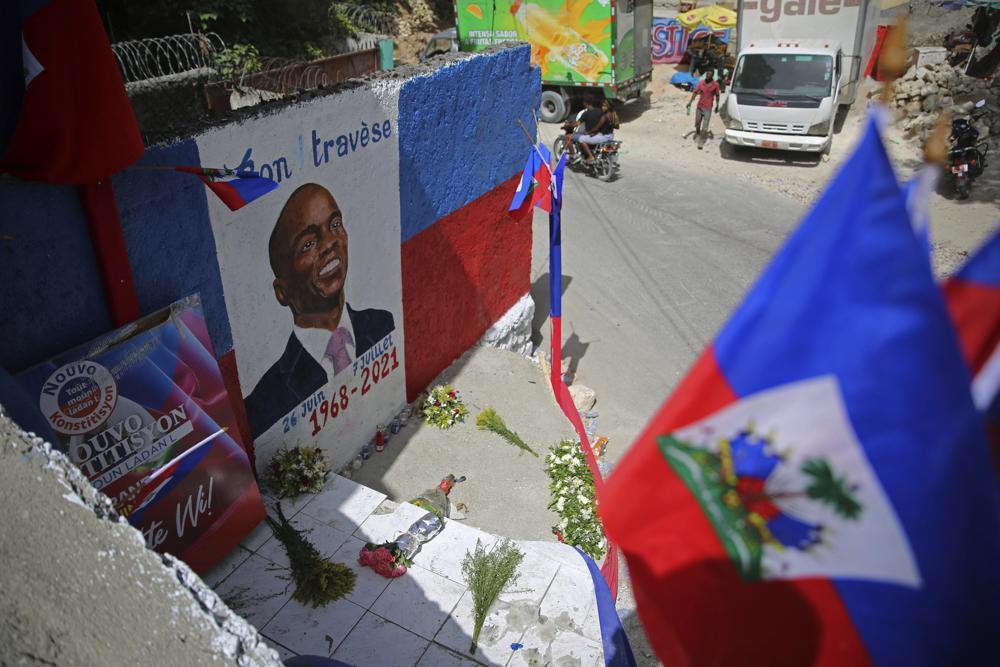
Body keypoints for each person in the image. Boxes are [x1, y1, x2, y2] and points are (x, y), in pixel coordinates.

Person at [245, 183, 395, 439]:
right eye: (308, 244)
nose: (329, 244)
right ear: (283, 292)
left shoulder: (382, 324)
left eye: (335, 225)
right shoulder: (265, 401)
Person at [686, 69, 721, 149]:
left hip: (708, 108)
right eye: (707, 74)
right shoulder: (701, 83)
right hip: (700, 106)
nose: (708, 76)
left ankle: (701, 142)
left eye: (710, 74)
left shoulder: (716, 85)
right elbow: (695, 92)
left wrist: (717, 105)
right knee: (697, 123)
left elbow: (717, 95)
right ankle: (698, 133)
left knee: (705, 126)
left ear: (712, 75)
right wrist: (690, 102)